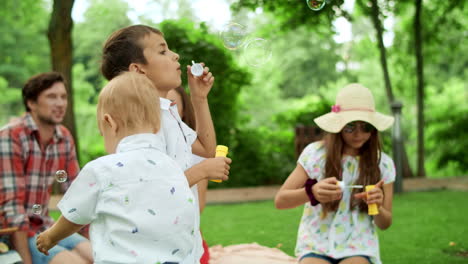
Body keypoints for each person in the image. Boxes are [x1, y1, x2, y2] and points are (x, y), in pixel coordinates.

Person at [36, 71, 198, 263]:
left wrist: (50, 237)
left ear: (109, 123)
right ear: (156, 127)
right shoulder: (172, 167)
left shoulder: (101, 169)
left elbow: (74, 215)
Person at [101, 25, 232, 262]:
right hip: (151, 249)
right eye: (162, 51)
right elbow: (149, 189)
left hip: (178, 241)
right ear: (138, 70)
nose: (175, 55)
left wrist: (199, 99)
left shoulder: (167, 113)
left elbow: (206, 149)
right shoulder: (139, 124)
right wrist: (202, 170)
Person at [275, 83, 396, 264]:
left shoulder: (383, 164)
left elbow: (385, 223)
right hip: (315, 245)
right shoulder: (315, 155)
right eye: (350, 127)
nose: (358, 134)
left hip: (358, 247)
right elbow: (281, 201)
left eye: (366, 127)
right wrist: (312, 192)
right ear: (339, 126)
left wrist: (377, 206)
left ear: (374, 129)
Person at [0, 72, 93, 264]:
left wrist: (92, 236)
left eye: (63, 97)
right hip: (10, 234)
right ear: (32, 103)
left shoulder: (64, 137)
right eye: (51, 97)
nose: (60, 103)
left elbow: (76, 195)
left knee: (97, 256)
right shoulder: (11, 136)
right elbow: (13, 212)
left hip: (44, 225)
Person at [168, 86, 210, 264]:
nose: (166, 110)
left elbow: (198, 205)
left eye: (172, 105)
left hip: (188, 242)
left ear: (184, 111)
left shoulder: (194, 150)